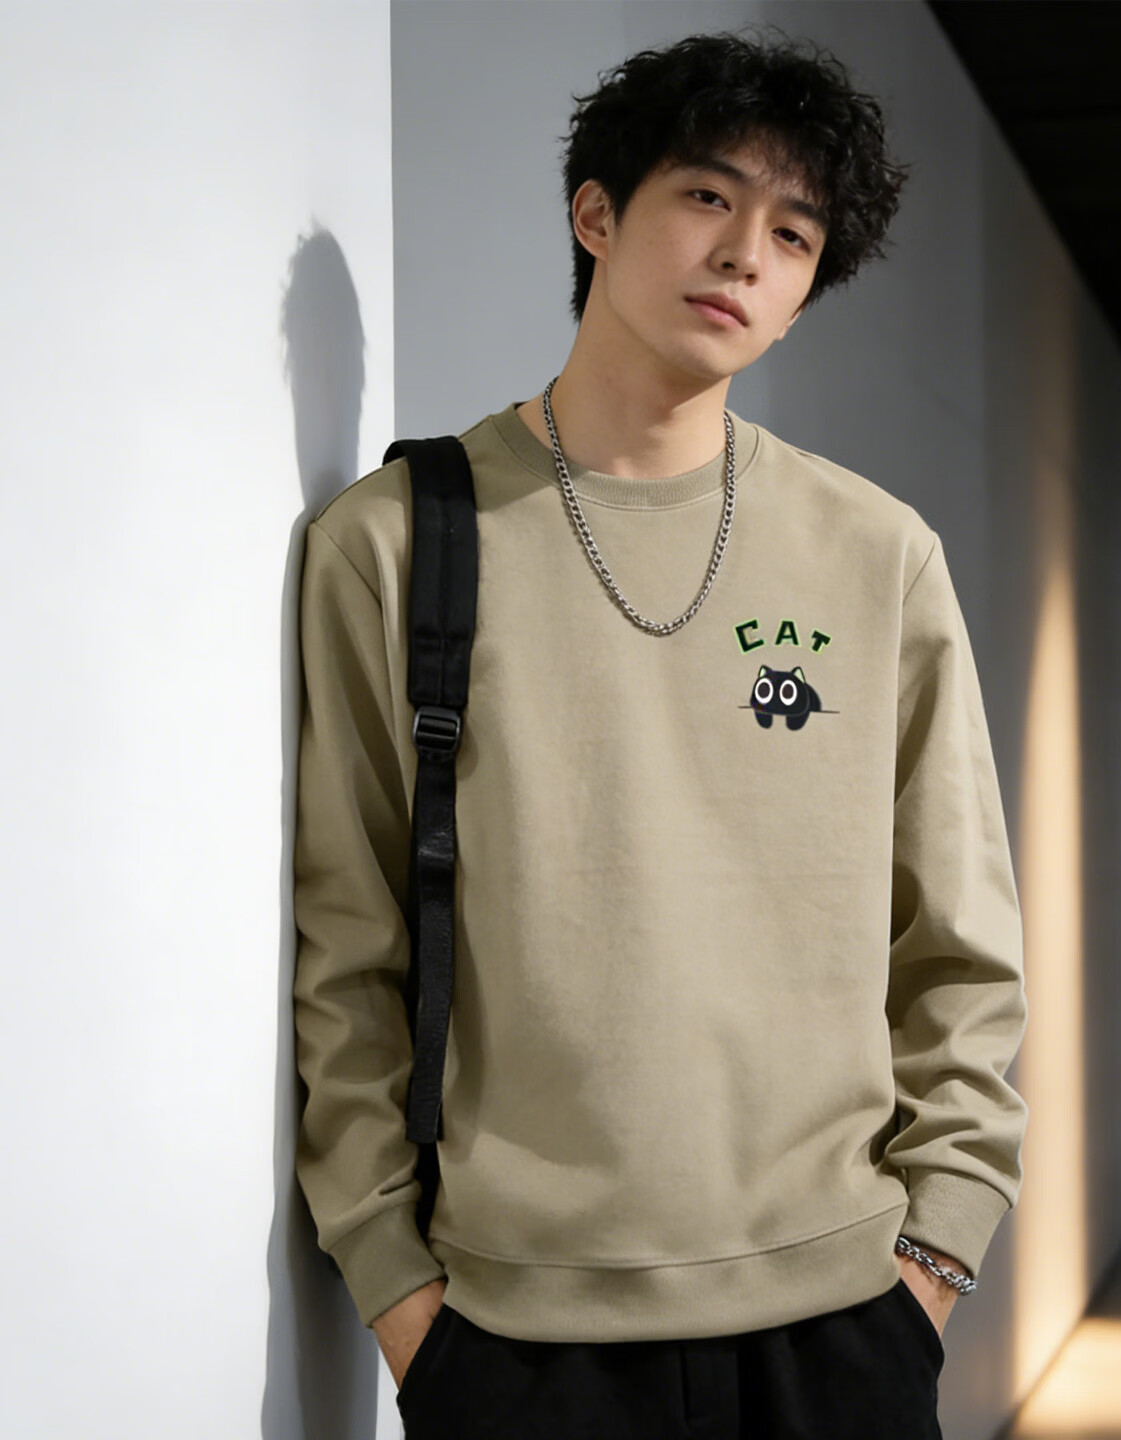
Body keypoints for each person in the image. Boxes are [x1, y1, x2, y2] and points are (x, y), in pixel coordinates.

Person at [293, 29, 1027, 1439]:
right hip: (517, 1341)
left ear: (805, 292)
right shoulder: (392, 545)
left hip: (841, 1327)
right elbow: (348, 949)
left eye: (793, 233)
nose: (746, 253)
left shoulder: (878, 555)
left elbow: (959, 944)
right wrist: (398, 1295)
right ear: (596, 213)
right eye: (706, 196)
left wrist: (936, 1256)